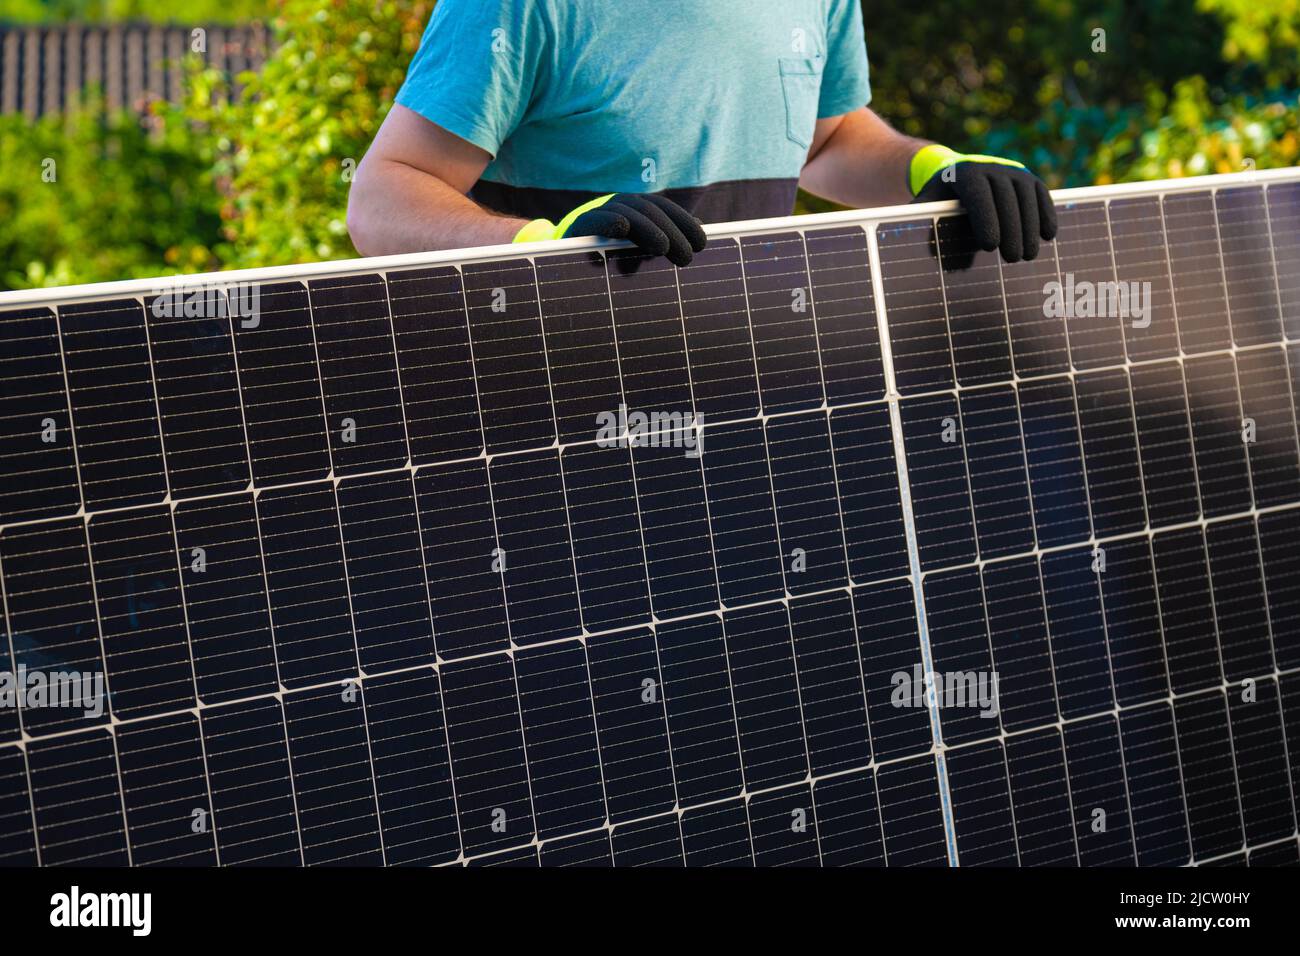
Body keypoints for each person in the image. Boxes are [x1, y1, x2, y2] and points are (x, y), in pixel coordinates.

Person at [347, 0, 1057, 267]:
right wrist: (542, 244)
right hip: (560, 422)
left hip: (746, 396)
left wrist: (935, 169)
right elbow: (380, 198)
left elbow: (828, 141)